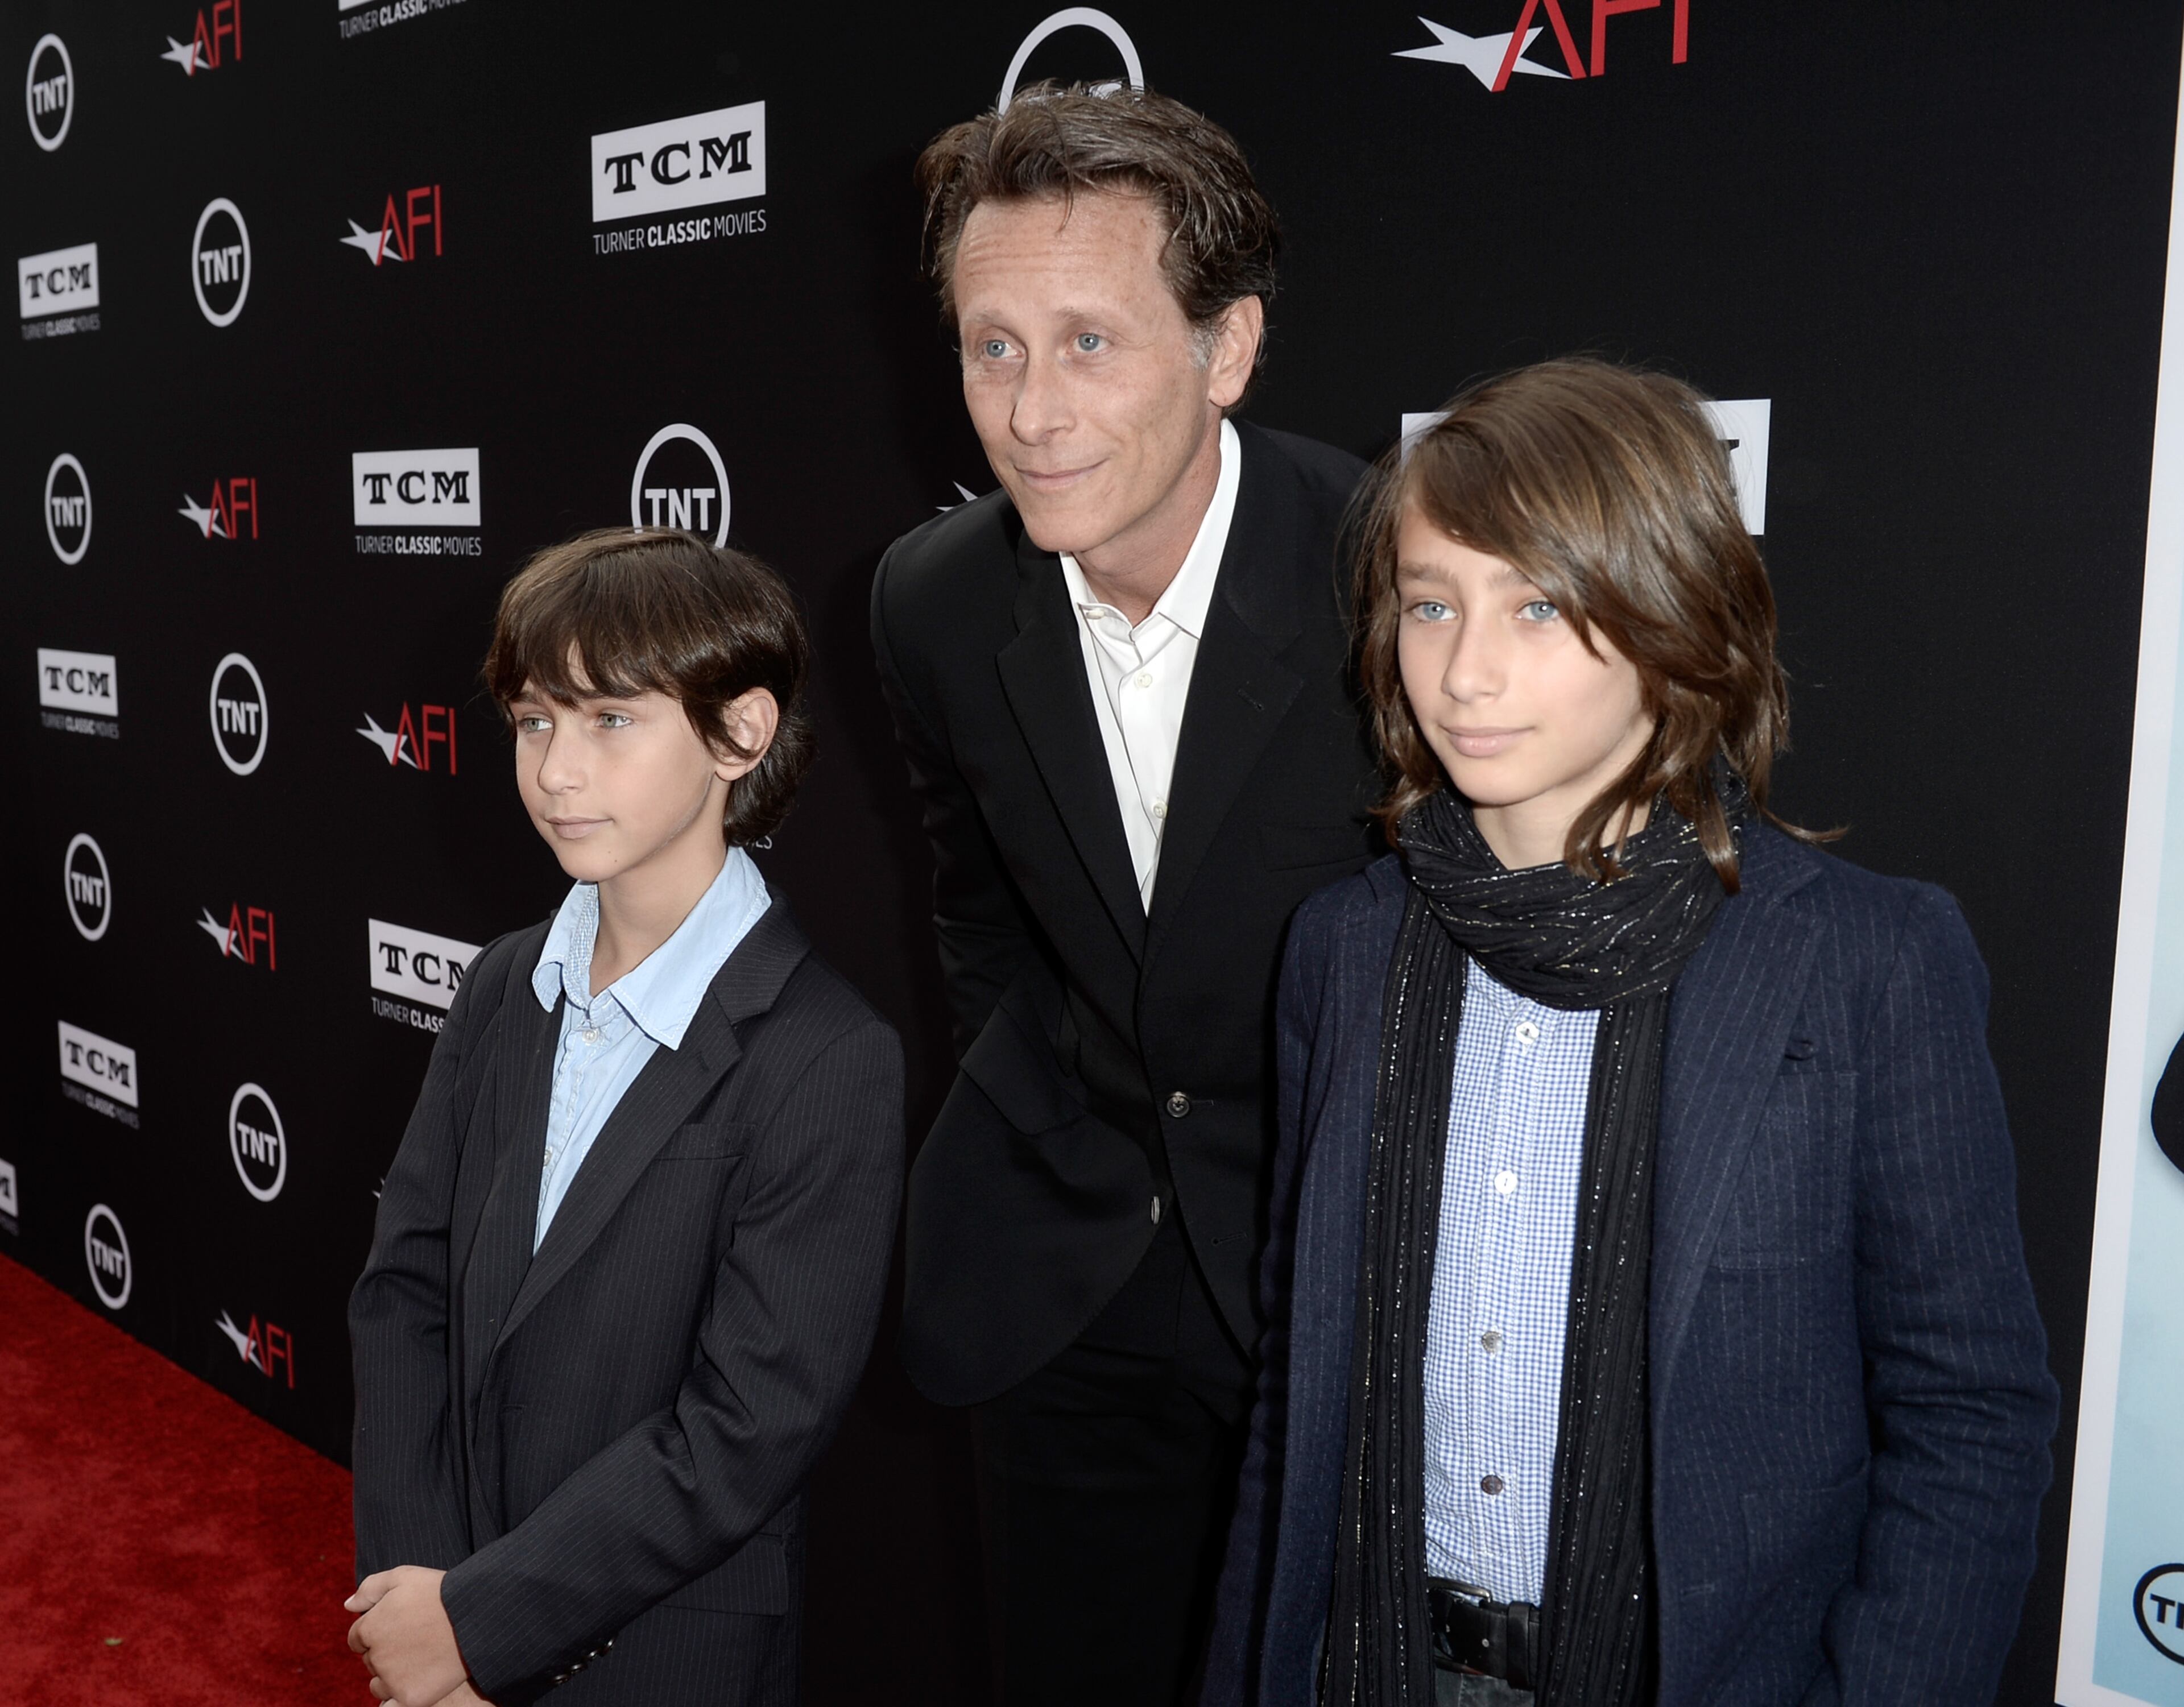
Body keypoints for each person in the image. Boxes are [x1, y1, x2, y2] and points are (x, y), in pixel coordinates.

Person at [1206, 359, 2059, 1707]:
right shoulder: (1344, 950)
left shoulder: (1864, 962)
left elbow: (1970, 1422)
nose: (1465, 669)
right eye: (1432, 603)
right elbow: (1296, 1394)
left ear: (1671, 613)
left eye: (1538, 605)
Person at [869, 83, 1379, 1703]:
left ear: (1227, 351)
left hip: (1331, 1282)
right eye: (991, 345)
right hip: (1059, 1280)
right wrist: (1056, 1101)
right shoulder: (934, 601)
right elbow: (981, 906)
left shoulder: (1398, 581)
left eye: (1090, 342)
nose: (1026, 412)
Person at [346, 528, 903, 1707]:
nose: (555, 770)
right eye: (534, 719)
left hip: (661, 1654)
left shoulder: (827, 1057)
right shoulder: (504, 983)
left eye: (610, 720)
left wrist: (481, 1623)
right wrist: (418, 1588)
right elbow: (406, 1288)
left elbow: (747, 1428)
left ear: (739, 733)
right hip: (441, 1613)